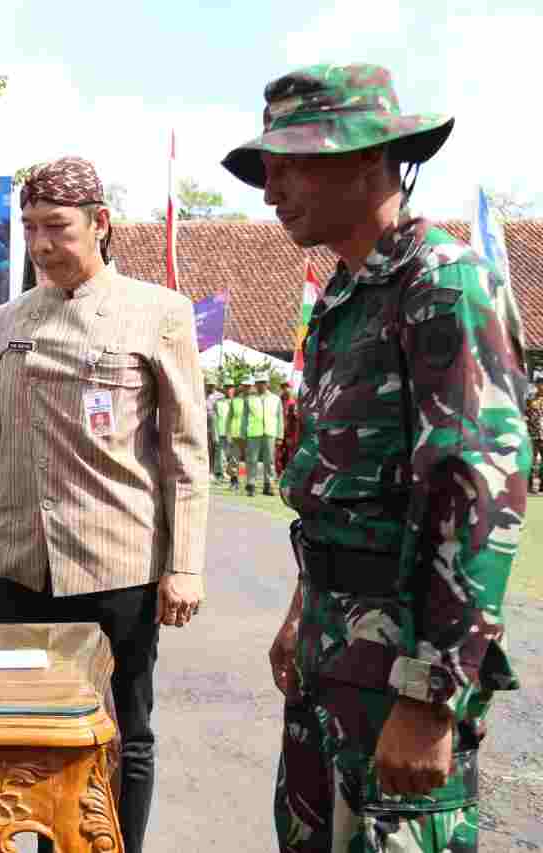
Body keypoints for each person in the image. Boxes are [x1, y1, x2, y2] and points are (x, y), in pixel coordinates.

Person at [222, 63, 530, 852]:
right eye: (269, 168)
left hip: (401, 665)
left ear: (368, 158)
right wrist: (304, 606)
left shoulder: (444, 284)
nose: (271, 190)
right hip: (332, 647)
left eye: (291, 164)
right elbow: (334, 487)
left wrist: (431, 695)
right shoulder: (343, 298)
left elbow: (475, 493)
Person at [0, 156, 209, 853]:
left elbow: (186, 449)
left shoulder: (158, 313)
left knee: (124, 729)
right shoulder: (11, 317)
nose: (41, 244)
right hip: (25, 567)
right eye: (30, 227)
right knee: (37, 731)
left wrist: (185, 564)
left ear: (100, 223)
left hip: (118, 565)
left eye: (57, 227)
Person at [240, 375, 283, 496]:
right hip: (253, 434)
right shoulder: (249, 399)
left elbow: (280, 418)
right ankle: (251, 485)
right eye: (259, 382)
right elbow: (244, 417)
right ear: (255, 384)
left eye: (263, 382)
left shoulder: (276, 399)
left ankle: (268, 485)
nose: (261, 385)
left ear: (267, 383)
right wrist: (243, 434)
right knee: (251, 460)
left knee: (269, 461)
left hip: (270, 433)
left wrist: (280, 435)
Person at [227, 378, 249, 491]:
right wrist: (228, 433)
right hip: (236, 434)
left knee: (250, 460)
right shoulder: (235, 401)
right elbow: (229, 418)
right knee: (234, 459)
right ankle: (234, 481)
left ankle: (250, 483)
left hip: (252, 434)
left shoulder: (256, 400)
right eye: (245, 386)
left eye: (249, 386)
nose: (247, 388)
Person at [275, 380, 300, 476]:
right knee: (277, 454)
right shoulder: (278, 401)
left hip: (290, 434)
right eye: (283, 387)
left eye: (287, 387)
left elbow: (297, 420)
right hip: (279, 432)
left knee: (290, 454)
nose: (285, 389)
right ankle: (278, 474)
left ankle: (289, 474)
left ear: (291, 388)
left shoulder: (295, 402)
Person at [213, 382, 235, 483]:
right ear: (224, 389)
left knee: (233, 455)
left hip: (234, 433)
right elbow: (215, 419)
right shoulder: (218, 403)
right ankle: (221, 474)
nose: (229, 390)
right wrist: (215, 434)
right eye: (227, 387)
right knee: (221, 455)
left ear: (233, 389)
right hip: (222, 432)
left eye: (230, 387)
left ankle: (232, 474)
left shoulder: (237, 402)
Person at [527, 370, 543, 494]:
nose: (540, 385)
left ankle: (540, 485)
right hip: (533, 433)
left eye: (541, 383)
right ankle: (531, 486)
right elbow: (525, 413)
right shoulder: (531, 399)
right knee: (532, 460)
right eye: (539, 383)